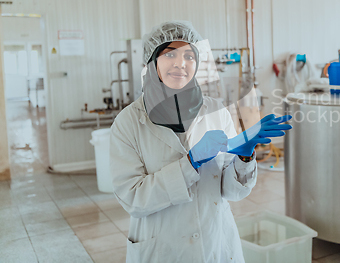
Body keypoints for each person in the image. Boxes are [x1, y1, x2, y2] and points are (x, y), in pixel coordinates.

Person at [109, 21, 292, 263]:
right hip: (163, 249)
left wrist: (244, 156)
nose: (180, 63)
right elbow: (133, 199)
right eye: (169, 54)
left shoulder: (216, 110)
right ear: (151, 63)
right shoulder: (129, 122)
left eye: (189, 55)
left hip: (214, 243)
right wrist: (190, 163)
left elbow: (230, 191)